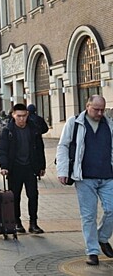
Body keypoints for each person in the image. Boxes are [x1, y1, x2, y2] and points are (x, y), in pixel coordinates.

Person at [56, 95, 113, 266]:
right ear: (88, 106)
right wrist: (63, 170)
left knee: (111, 209)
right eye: (96, 109)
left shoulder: (109, 124)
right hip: (84, 177)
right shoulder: (74, 123)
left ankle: (102, 238)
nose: (100, 112)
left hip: (107, 175)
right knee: (89, 216)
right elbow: (63, 145)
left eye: (102, 109)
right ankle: (92, 251)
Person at [0, 103, 46, 235]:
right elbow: (2, 150)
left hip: (30, 167)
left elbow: (40, 148)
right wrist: (4, 166)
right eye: (18, 116)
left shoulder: (33, 129)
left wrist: (42, 166)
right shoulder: (8, 130)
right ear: (13, 115)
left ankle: (33, 223)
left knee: (33, 195)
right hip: (14, 168)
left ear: (27, 115)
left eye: (24, 116)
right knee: (15, 197)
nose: (21, 119)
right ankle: (17, 222)